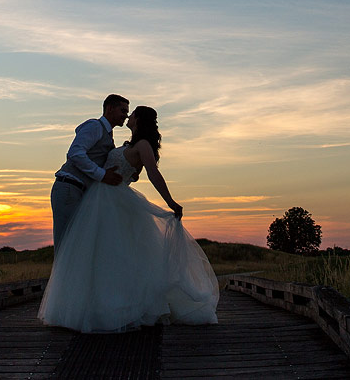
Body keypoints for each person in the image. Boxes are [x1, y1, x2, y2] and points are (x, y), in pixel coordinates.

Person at [39, 105, 219, 333]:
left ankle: (117, 306)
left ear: (139, 120)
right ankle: (93, 305)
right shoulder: (124, 143)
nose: (128, 116)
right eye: (125, 111)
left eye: (132, 113)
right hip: (98, 200)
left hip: (112, 201)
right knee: (97, 255)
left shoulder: (143, 145)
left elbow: (153, 173)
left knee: (113, 255)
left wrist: (170, 202)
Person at [50, 94, 128, 253]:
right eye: (123, 110)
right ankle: (61, 278)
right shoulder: (94, 126)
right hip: (68, 188)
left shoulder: (107, 135)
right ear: (110, 108)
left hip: (80, 192)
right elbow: (75, 153)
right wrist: (102, 174)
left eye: (127, 112)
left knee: (78, 242)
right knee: (66, 243)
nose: (125, 116)